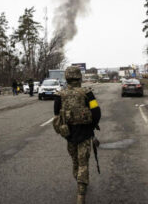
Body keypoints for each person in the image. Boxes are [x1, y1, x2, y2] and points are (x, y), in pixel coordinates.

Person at [53, 66, 101, 204]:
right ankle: (81, 195)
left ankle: (80, 183)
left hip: (69, 136)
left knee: (76, 162)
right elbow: (96, 112)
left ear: (66, 77)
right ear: (79, 77)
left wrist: (65, 131)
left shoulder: (60, 95)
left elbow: (56, 115)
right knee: (83, 163)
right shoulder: (87, 93)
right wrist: (91, 127)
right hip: (85, 134)